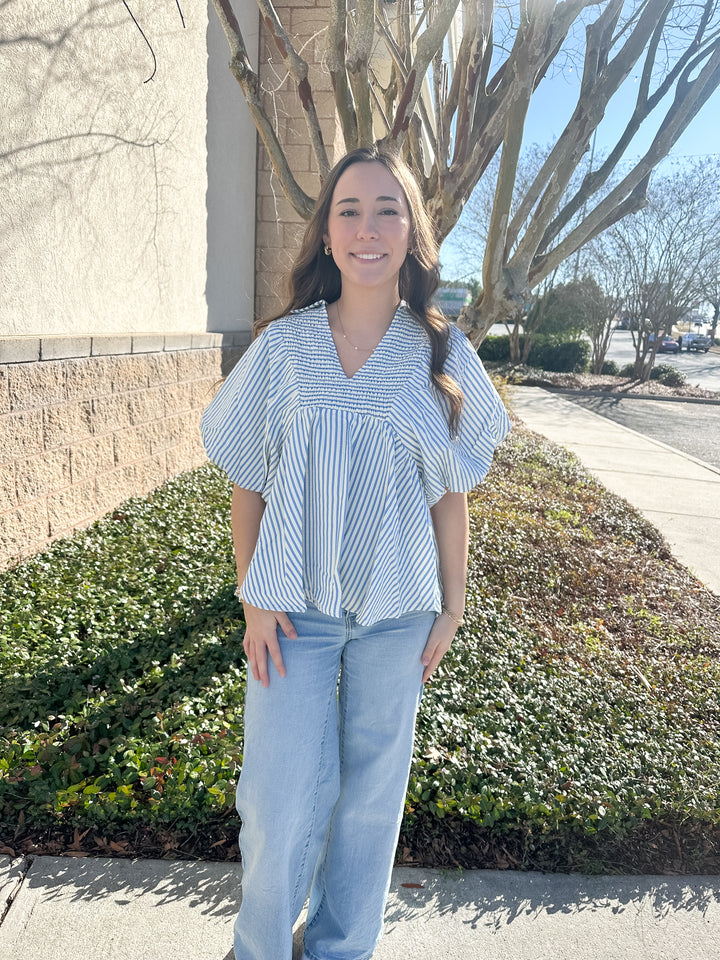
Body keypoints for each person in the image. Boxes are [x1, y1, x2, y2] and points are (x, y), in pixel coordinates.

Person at [201, 146, 510, 960]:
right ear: (327, 234)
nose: (368, 226)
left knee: (373, 796)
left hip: (397, 614)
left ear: (412, 233)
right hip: (291, 611)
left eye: (387, 209)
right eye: (349, 209)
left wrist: (453, 605)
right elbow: (248, 478)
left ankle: (340, 948)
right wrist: (251, 594)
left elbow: (451, 493)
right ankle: (259, 948)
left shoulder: (444, 357)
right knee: (275, 795)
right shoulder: (284, 349)